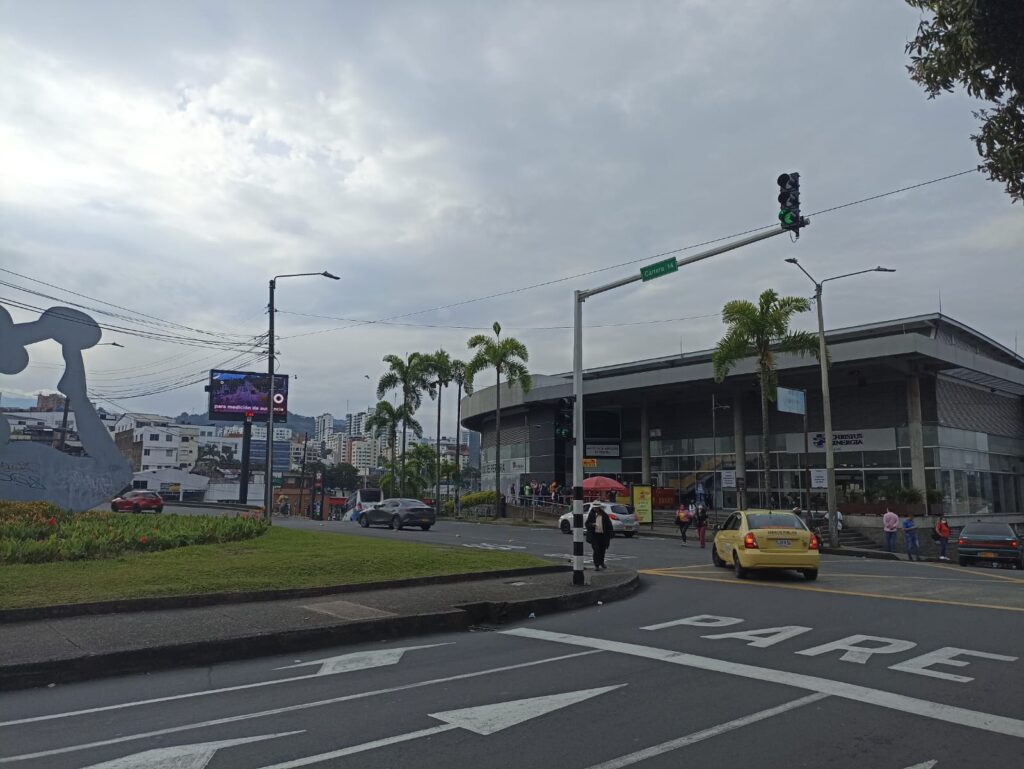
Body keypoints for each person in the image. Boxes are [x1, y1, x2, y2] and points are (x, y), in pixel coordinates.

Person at [585, 503, 614, 570]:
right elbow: (587, 524)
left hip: (603, 535)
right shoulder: (592, 515)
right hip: (595, 535)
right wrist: (592, 525)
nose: (596, 509)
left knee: (602, 550)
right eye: (595, 508)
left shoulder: (604, 515)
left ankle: (601, 562)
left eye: (597, 508)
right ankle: (596, 565)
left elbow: (609, 525)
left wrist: (611, 534)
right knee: (596, 550)